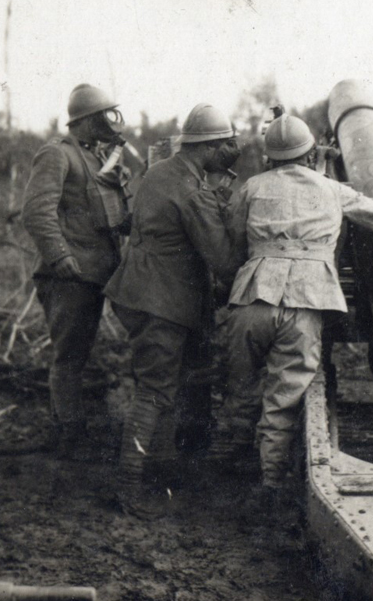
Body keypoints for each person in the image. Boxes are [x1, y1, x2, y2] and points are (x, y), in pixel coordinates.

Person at [219, 113, 373, 495]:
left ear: (270, 156)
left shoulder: (251, 187)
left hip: (252, 296)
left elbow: (232, 240)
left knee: (240, 384)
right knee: (283, 396)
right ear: (311, 152)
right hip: (305, 301)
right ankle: (270, 481)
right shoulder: (332, 189)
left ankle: (231, 460)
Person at [103, 103, 241, 513]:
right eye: (225, 146)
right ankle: (129, 485)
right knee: (154, 390)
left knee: (163, 385)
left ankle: (160, 467)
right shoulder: (192, 191)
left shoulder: (162, 170)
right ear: (209, 147)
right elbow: (222, 259)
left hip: (140, 290)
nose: (231, 152)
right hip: (161, 299)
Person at [22, 84, 129, 460]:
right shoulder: (57, 154)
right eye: (105, 115)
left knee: (79, 355)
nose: (112, 121)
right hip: (70, 277)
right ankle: (69, 437)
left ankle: (75, 429)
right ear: (86, 119)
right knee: (69, 357)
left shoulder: (96, 157)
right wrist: (60, 258)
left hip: (98, 273)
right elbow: (36, 212)